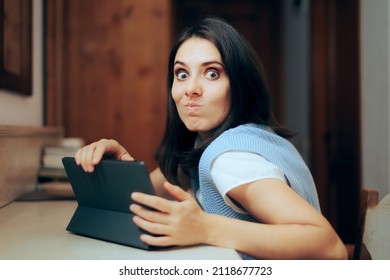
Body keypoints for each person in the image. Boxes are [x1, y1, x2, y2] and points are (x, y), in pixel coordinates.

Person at [75, 17, 348, 260]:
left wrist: (204, 227)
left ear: (239, 85)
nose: (190, 89)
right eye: (182, 74)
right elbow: (143, 197)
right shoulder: (219, 144)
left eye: (212, 73)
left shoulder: (231, 160)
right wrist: (122, 169)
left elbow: (329, 247)